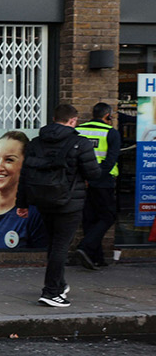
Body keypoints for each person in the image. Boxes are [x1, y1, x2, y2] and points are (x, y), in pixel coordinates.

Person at [26, 104, 101, 308]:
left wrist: (22, 202)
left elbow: (26, 173)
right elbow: (93, 173)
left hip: (43, 201)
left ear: (53, 118)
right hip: (69, 203)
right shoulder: (80, 143)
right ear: (73, 120)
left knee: (53, 243)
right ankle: (51, 292)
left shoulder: (36, 143)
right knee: (60, 246)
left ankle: (59, 284)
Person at [75, 101, 121, 270]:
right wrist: (96, 178)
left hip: (82, 180)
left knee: (90, 218)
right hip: (103, 181)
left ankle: (95, 257)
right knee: (108, 216)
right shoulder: (111, 133)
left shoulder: (79, 130)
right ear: (107, 116)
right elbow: (110, 160)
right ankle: (85, 247)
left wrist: (85, 177)